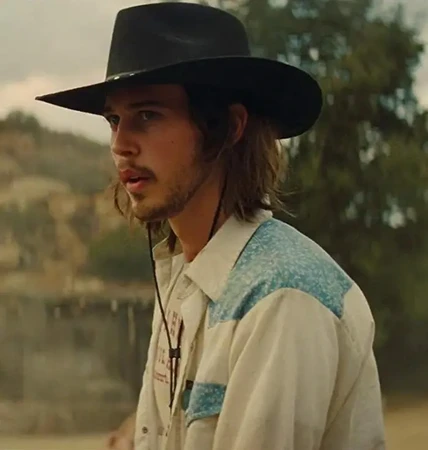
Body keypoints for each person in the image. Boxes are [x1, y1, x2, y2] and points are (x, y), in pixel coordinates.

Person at [36, 3, 386, 450]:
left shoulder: (280, 297)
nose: (121, 144)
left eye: (148, 115)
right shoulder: (183, 278)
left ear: (228, 127)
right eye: (114, 120)